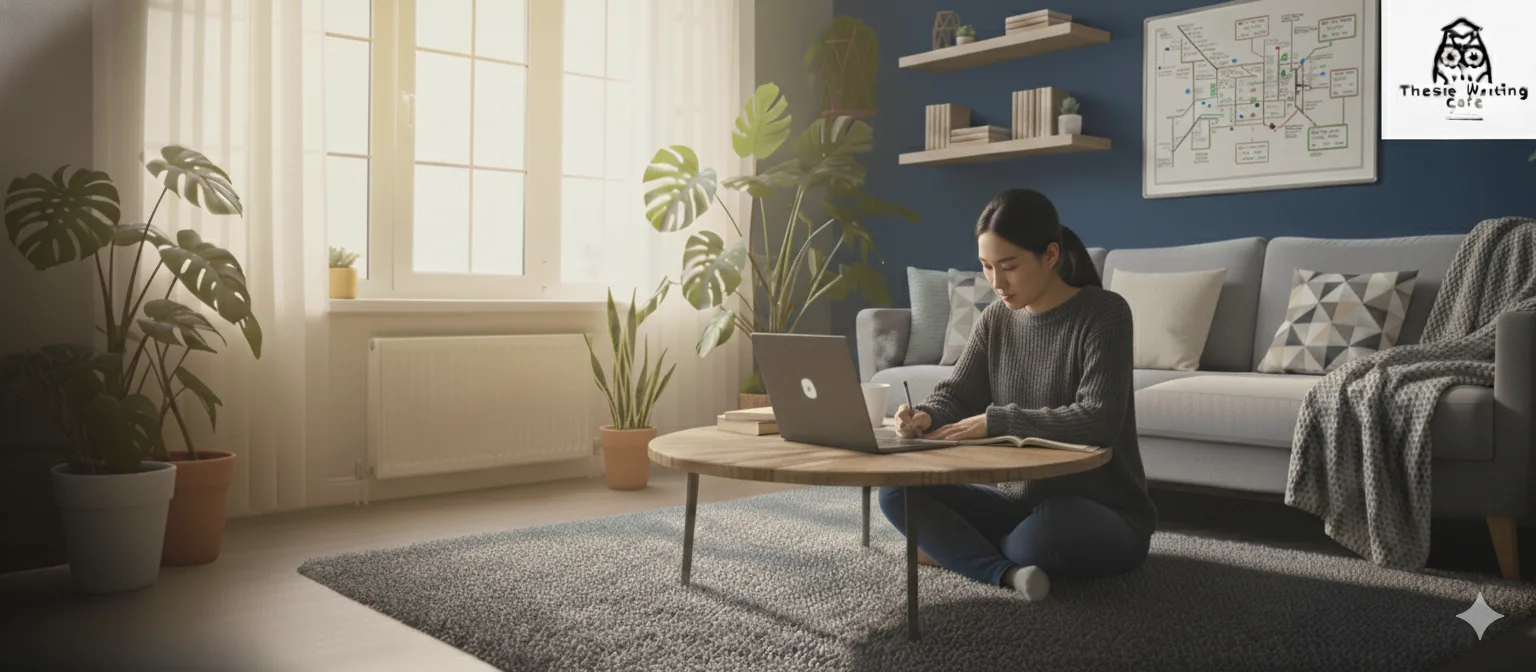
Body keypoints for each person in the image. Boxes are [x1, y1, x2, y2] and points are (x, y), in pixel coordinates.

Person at [883, 188, 1157, 602]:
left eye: (1008, 267)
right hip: (1021, 506)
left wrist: (999, 420)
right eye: (986, 267)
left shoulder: (1106, 313)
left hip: (1105, 512)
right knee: (895, 490)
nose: (996, 283)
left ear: (1050, 255)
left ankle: (958, 551)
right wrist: (925, 416)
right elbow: (957, 394)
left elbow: (1099, 420)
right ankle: (1007, 573)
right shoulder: (996, 319)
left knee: (1039, 538)